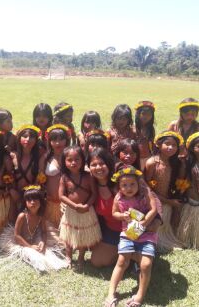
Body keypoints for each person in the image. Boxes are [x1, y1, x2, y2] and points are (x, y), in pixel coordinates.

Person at [105, 167, 157, 307]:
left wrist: (144, 223)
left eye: (132, 184)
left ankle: (140, 295)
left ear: (138, 183)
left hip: (147, 235)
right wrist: (122, 216)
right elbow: (114, 213)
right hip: (128, 234)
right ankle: (111, 293)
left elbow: (154, 209)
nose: (129, 188)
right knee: (122, 261)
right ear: (119, 186)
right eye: (124, 185)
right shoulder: (118, 197)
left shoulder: (145, 193)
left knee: (146, 264)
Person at [0, 185, 69, 272]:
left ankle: (54, 262)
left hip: (34, 239)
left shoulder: (41, 216)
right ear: (25, 203)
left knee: (45, 252)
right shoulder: (22, 216)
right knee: (32, 254)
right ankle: (39, 264)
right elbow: (17, 236)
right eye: (29, 200)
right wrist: (30, 246)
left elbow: (44, 232)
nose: (32, 202)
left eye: (35, 199)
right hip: (22, 242)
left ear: (41, 201)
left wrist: (43, 242)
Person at [59, 145, 101, 269]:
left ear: (83, 160)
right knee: (68, 235)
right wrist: (74, 205)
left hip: (86, 211)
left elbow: (94, 193)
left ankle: (81, 257)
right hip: (71, 211)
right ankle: (68, 256)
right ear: (64, 162)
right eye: (69, 160)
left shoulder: (89, 176)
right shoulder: (64, 177)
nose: (73, 163)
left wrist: (87, 205)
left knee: (82, 235)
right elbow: (61, 196)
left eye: (77, 159)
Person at [145, 131, 184, 252]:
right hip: (155, 202)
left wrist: (174, 202)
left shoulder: (177, 163)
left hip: (171, 202)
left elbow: (181, 184)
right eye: (167, 144)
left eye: (174, 145)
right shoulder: (152, 163)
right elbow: (147, 187)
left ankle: (170, 234)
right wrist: (168, 201)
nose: (171, 147)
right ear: (158, 144)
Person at [42, 124, 71, 227]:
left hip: (68, 203)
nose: (58, 143)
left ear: (67, 140)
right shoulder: (46, 158)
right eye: (54, 140)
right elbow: (40, 179)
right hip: (50, 202)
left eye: (61, 139)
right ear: (49, 142)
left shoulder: (71, 157)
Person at [134, 101, 155, 170]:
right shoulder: (132, 128)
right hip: (135, 159)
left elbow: (152, 144)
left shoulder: (151, 129)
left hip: (147, 158)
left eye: (149, 114)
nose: (146, 117)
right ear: (138, 114)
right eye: (143, 114)